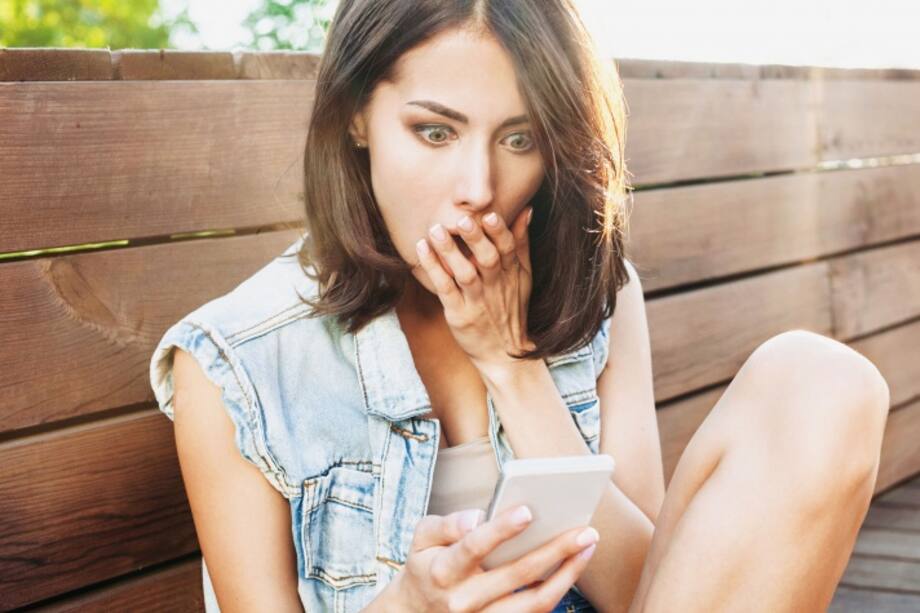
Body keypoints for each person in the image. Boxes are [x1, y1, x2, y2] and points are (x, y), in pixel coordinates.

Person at [149, 0, 891, 611]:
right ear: (355, 116)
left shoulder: (596, 296)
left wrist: (512, 367)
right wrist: (410, 604)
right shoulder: (236, 361)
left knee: (824, 381)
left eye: (519, 138)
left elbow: (657, 593)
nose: (477, 187)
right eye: (434, 131)